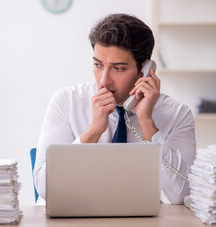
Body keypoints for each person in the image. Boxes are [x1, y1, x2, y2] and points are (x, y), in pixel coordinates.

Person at [33, 13, 196, 204]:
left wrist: (146, 123)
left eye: (118, 68)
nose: (103, 80)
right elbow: (45, 189)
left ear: (145, 70)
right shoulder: (66, 102)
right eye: (98, 65)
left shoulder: (177, 114)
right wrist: (93, 132)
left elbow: (182, 195)